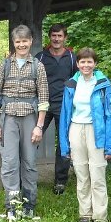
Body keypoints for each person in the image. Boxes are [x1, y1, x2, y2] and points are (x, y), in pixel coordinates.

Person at [0, 25, 49, 220]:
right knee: (10, 164)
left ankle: (29, 205)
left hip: (30, 119)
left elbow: (44, 99)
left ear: (31, 41)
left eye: (25, 41)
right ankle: (12, 207)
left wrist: (39, 126)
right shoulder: (4, 65)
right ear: (13, 43)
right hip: (8, 119)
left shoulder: (38, 66)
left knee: (30, 163)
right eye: (18, 41)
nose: (21, 44)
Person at [59, 48, 111, 222]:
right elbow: (64, 115)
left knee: (97, 174)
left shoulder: (103, 84)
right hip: (76, 129)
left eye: (89, 61)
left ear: (95, 63)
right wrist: (64, 144)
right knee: (81, 174)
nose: (86, 65)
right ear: (77, 64)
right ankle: (85, 214)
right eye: (82, 62)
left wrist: (110, 145)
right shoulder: (71, 84)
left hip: (96, 131)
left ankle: (100, 217)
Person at [34, 23, 77, 195]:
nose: (56, 39)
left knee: (63, 144)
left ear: (65, 38)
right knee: (32, 139)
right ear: (49, 37)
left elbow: (78, 80)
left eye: (60, 36)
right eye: (54, 36)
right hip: (42, 105)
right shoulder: (40, 57)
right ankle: (26, 176)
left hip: (64, 106)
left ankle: (60, 181)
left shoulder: (72, 57)